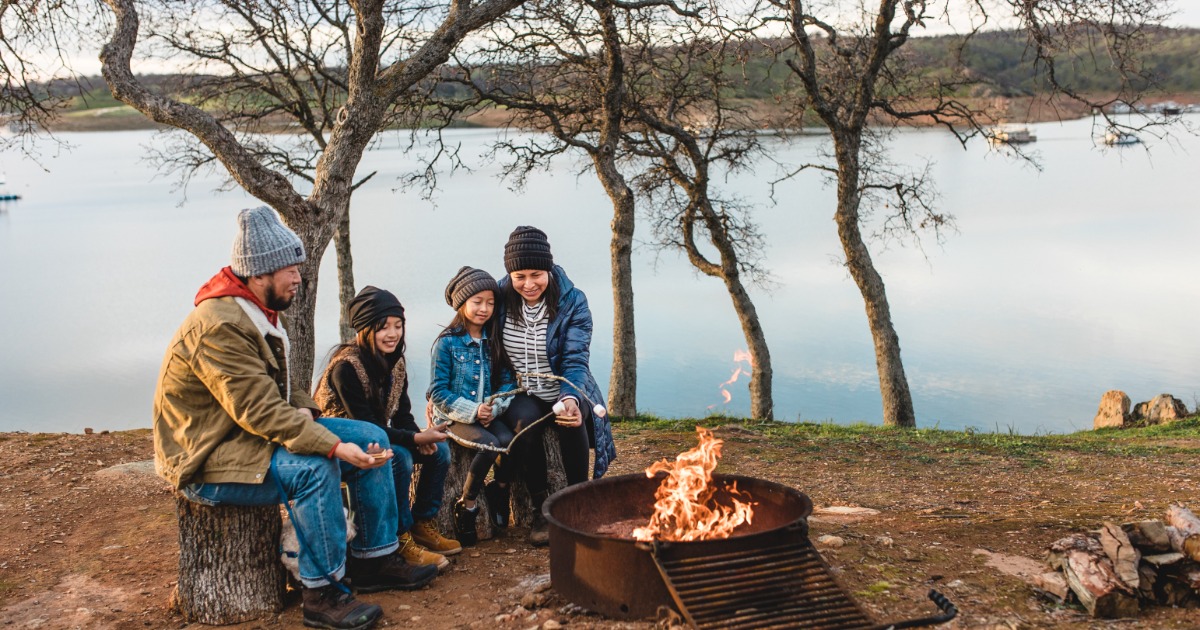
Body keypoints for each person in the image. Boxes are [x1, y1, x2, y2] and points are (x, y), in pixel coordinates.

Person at [152, 206, 436, 630]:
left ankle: (375, 559)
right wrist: (333, 445)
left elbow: (283, 383)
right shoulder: (219, 325)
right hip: (209, 454)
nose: (299, 278)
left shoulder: (255, 309)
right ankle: (322, 595)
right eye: (290, 269)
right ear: (260, 272)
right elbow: (259, 410)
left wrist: (306, 407)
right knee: (314, 467)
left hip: (247, 436)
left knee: (373, 436)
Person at [313, 285, 461, 571]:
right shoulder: (346, 369)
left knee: (439, 451)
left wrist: (420, 438)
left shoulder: (395, 362)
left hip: (376, 439)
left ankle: (421, 523)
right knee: (400, 458)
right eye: (383, 327)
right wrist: (414, 439)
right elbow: (367, 426)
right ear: (364, 330)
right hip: (342, 447)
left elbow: (402, 415)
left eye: (398, 325)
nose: (393, 334)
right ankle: (400, 536)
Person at [495, 226, 617, 546]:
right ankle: (540, 509)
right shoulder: (496, 298)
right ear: (510, 274)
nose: (529, 283)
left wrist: (571, 399)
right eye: (519, 276)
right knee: (525, 423)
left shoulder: (572, 301)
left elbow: (575, 360)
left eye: (537, 273)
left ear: (549, 269)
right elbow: (465, 338)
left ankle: (576, 502)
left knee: (571, 422)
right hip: (522, 391)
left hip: (565, 384)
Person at [428, 267, 519, 546]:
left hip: (486, 414)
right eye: (477, 302)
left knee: (509, 439)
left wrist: (495, 407)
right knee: (490, 445)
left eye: (490, 303)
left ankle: (498, 491)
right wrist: (472, 410)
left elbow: (507, 382)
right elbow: (437, 392)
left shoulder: (495, 341)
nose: (484, 309)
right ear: (462, 304)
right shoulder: (447, 343)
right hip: (455, 416)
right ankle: (467, 504)